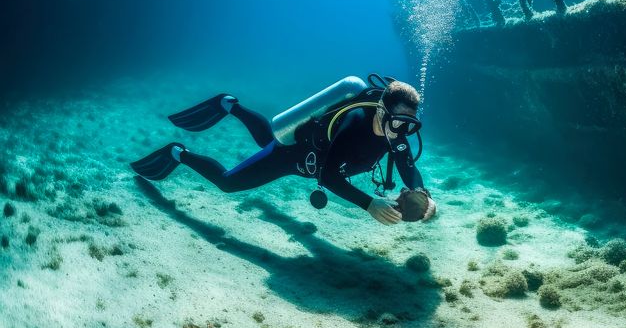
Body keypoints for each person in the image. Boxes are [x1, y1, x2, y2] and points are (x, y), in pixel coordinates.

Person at [130, 79, 435, 225]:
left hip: (311, 158)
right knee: (229, 182)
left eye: (409, 126)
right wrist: (369, 204)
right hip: (294, 156)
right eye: (398, 122)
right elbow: (329, 176)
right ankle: (178, 152)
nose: (401, 132)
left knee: (266, 137)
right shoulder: (354, 123)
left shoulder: (396, 133)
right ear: (381, 109)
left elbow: (407, 166)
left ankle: (229, 105)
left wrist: (423, 194)